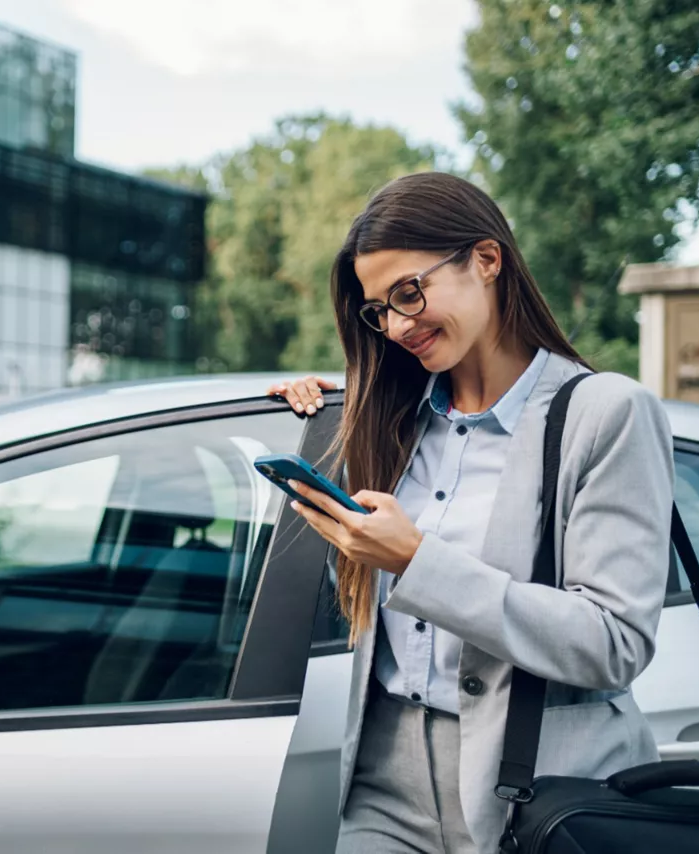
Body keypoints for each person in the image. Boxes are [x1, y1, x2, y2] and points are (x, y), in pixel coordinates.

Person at [268, 172, 674, 853]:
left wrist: (417, 561)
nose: (397, 326)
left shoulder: (605, 414)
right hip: (383, 782)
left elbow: (615, 642)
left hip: (543, 794)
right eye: (380, 310)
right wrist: (304, 404)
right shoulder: (389, 419)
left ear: (487, 260)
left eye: (409, 292)